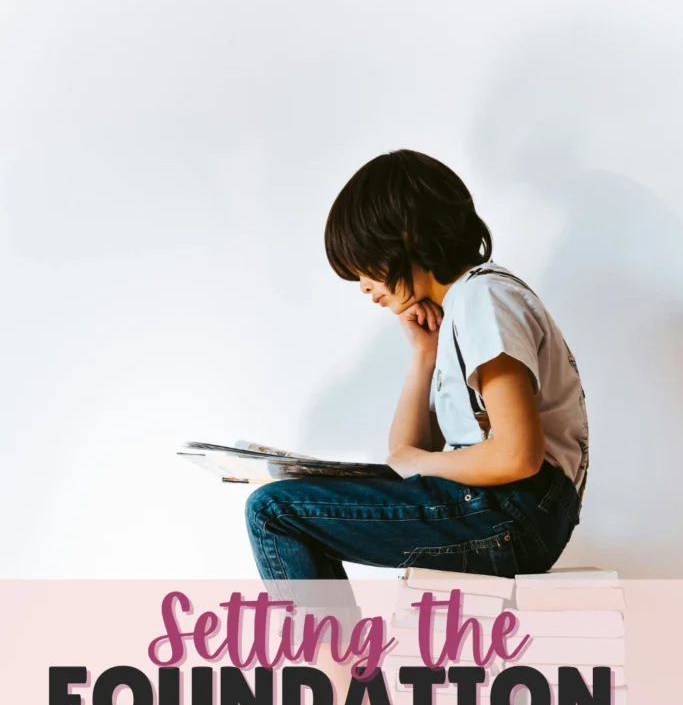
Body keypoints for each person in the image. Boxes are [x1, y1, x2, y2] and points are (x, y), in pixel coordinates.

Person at [245, 149, 587, 588]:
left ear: (403, 235)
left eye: (363, 266)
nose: (364, 286)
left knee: (274, 511)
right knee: (287, 511)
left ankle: (333, 660)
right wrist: (424, 354)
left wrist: (416, 463)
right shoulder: (465, 308)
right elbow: (403, 451)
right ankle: (338, 656)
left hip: (514, 508)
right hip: (508, 508)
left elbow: (517, 455)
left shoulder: (483, 299)